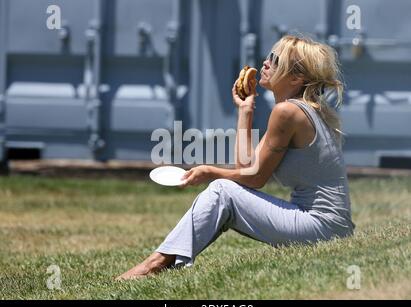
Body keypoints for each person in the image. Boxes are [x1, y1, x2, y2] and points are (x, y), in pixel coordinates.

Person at [116, 35, 355, 280]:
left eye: (275, 59)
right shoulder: (297, 109)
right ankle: (161, 262)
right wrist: (245, 110)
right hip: (329, 227)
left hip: (321, 227)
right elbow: (246, 169)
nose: (266, 62)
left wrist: (211, 172)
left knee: (222, 190)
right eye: (269, 56)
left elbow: (253, 179)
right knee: (225, 191)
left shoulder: (288, 112)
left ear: (296, 78)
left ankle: (154, 265)